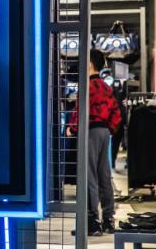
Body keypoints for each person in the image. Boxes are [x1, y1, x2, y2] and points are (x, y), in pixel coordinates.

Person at [68, 49, 121, 236]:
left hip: (90, 132)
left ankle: (92, 221)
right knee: (104, 175)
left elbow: (81, 111)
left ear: (89, 63)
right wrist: (110, 129)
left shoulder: (87, 87)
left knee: (89, 176)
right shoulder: (106, 87)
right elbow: (116, 113)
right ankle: (109, 220)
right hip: (105, 132)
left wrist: (72, 128)